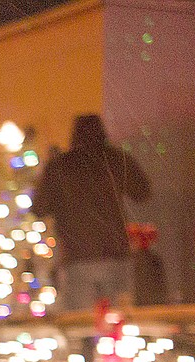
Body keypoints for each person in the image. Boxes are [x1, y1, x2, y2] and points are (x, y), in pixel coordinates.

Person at [31, 113, 152, 311]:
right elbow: (143, 192)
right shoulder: (115, 159)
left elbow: (39, 209)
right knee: (118, 322)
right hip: (116, 254)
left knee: (81, 325)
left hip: (77, 258)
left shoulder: (60, 166)